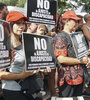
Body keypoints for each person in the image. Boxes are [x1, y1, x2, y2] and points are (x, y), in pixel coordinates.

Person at [0, 11, 45, 100]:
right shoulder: (4, 45)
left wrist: (41, 67)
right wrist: (22, 75)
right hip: (13, 91)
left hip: (29, 89)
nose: (21, 26)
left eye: (23, 23)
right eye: (17, 23)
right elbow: (0, 74)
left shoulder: (25, 41)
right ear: (10, 24)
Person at [54, 10, 90, 97]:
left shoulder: (77, 35)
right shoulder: (60, 37)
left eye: (78, 21)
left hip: (80, 77)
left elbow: (82, 53)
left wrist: (87, 59)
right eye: (75, 21)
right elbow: (61, 59)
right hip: (68, 79)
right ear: (67, 21)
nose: (77, 23)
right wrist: (81, 61)